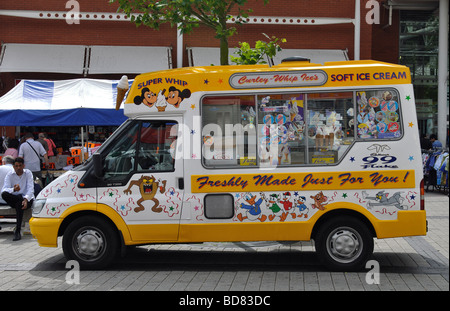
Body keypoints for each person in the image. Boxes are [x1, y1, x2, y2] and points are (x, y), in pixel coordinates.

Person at [1, 157, 35, 241]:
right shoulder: (10, 174)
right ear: (13, 166)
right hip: (15, 198)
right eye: (16, 166)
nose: (18, 168)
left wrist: (26, 199)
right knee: (5, 194)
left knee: (18, 204)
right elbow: (4, 190)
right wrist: (13, 189)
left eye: (20, 166)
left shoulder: (28, 173)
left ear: (23, 166)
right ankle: (17, 230)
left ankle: (18, 230)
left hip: (26, 199)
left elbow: (30, 189)